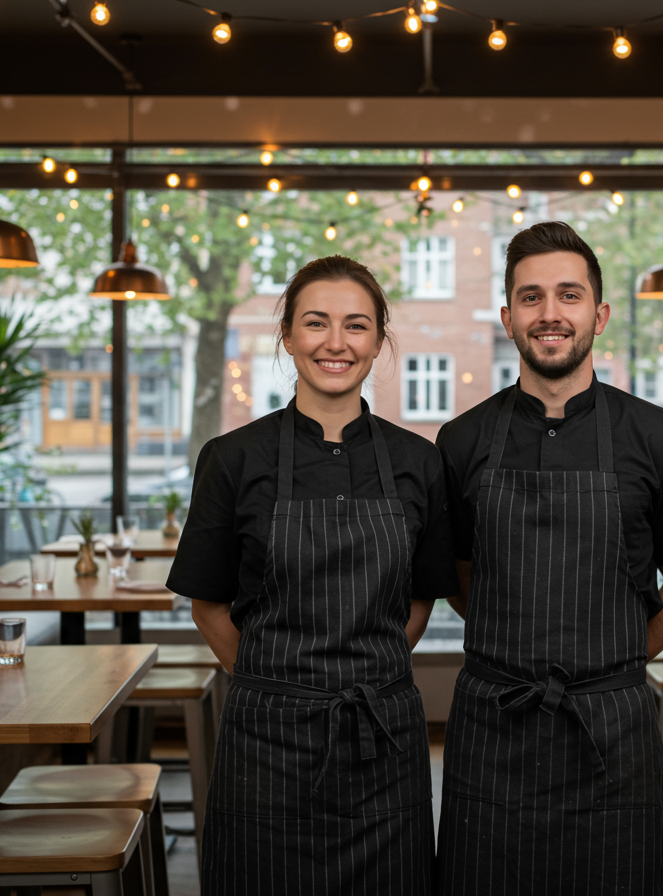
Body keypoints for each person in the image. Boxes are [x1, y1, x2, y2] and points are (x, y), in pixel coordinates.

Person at [435, 221, 663, 895]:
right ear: (508, 317)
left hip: (612, 728)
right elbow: (459, 577)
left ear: (600, 313)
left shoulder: (660, 436)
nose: (550, 313)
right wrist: (522, 650)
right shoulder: (461, 440)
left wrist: (613, 663)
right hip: (493, 724)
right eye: (530, 297)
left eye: (569, 294)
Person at [168, 255, 456, 895]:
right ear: (288, 335)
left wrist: (366, 676)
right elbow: (207, 606)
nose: (335, 343)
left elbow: (420, 599)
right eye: (316, 322)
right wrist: (275, 689)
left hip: (382, 735)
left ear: (378, 341)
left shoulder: (418, 461)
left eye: (356, 325)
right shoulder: (232, 459)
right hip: (266, 742)